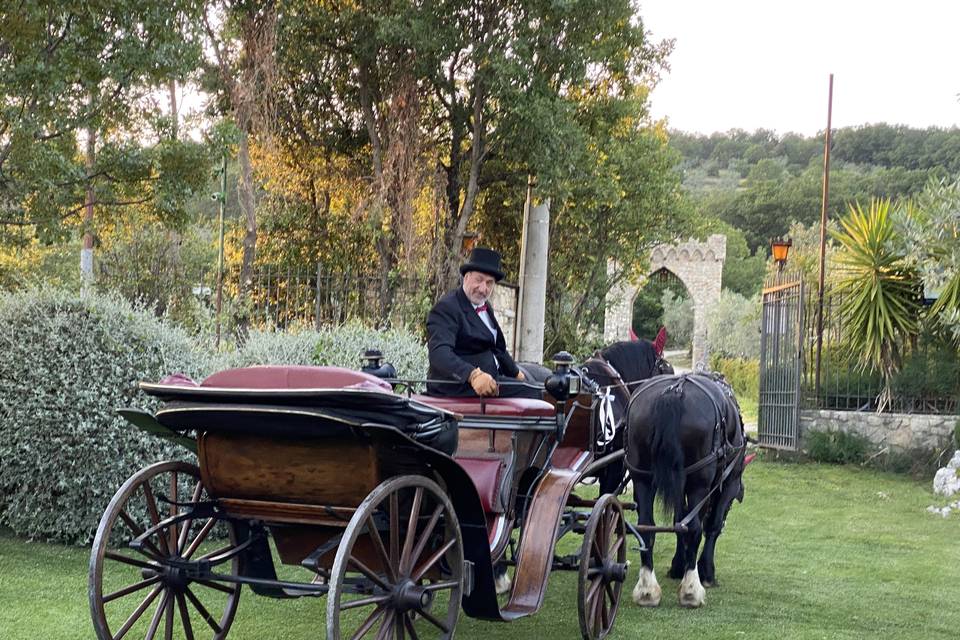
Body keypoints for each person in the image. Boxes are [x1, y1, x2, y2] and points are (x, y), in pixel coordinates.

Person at [426, 247, 538, 399]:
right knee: (531, 393)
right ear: (466, 278)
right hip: (457, 386)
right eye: (479, 280)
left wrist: (518, 375)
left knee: (535, 386)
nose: (483, 289)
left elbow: (497, 348)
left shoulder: (485, 307)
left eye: (489, 283)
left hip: (491, 380)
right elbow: (439, 354)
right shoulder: (447, 307)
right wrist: (473, 375)